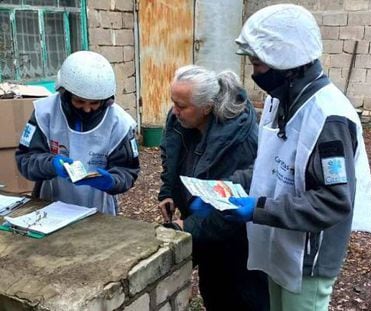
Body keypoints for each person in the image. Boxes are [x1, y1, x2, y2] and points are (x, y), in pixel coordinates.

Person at [215, 4, 371, 311]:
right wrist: (225, 186)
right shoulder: (280, 101)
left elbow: (333, 202)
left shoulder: (329, 118)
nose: (254, 74)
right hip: (279, 243)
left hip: (309, 258)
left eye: (259, 64)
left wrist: (258, 208)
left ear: (287, 64)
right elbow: (269, 163)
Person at [158, 65, 269, 311]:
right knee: (214, 292)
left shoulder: (239, 140)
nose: (174, 111)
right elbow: (170, 154)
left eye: (182, 106)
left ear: (207, 107)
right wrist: (168, 191)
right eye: (173, 102)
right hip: (204, 227)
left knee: (242, 298)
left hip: (238, 242)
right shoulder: (181, 118)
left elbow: (231, 207)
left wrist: (189, 226)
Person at [16, 51, 140, 215]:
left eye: (94, 103)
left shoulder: (119, 123)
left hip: (99, 211)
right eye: (79, 101)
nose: (87, 109)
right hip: (49, 205)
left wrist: (111, 181)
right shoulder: (45, 113)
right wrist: (50, 164)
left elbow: (127, 171)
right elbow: (25, 159)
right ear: (65, 94)